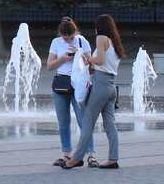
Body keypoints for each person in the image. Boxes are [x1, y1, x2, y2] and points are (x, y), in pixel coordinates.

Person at [62, 14, 126, 170]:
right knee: (110, 123)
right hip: (111, 86)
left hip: (101, 83)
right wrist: (83, 54)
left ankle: (76, 158)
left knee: (88, 121)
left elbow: (99, 61)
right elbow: (105, 62)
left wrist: (87, 58)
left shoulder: (101, 38)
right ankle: (113, 158)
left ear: (100, 27)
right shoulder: (115, 42)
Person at [46, 18, 96, 167]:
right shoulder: (56, 42)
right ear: (60, 35)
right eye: (65, 38)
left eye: (71, 37)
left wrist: (79, 53)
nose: (68, 40)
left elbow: (91, 65)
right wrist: (62, 58)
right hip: (61, 83)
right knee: (63, 122)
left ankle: (91, 154)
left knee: (83, 121)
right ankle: (67, 153)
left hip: (78, 85)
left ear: (76, 33)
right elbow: (49, 65)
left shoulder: (82, 41)